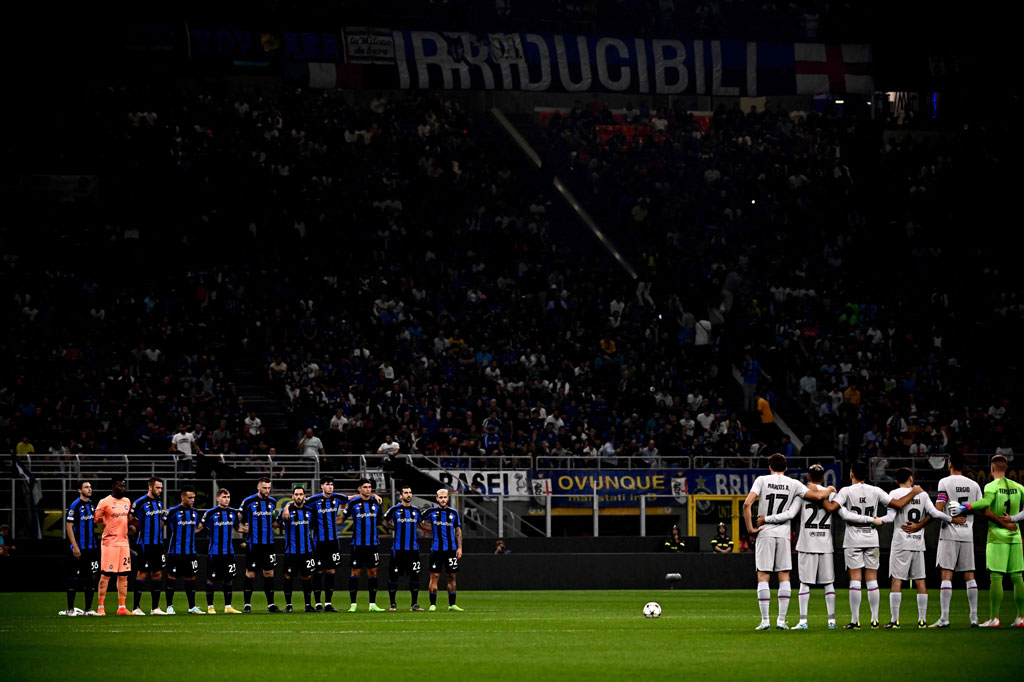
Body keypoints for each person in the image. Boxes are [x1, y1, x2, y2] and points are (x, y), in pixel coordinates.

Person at [760, 464, 880, 629]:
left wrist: (766, 519)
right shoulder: (831, 495)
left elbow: (791, 514)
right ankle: (831, 620)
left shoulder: (803, 494)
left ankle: (803, 620)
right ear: (823, 478)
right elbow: (842, 513)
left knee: (804, 583)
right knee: (828, 583)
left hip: (807, 543)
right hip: (825, 543)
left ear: (808, 477)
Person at [742, 453, 834, 629]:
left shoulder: (761, 480)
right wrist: (829, 489)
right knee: (784, 575)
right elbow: (816, 497)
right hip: (784, 534)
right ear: (785, 468)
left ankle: (765, 621)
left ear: (770, 467)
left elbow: (747, 504)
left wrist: (750, 529)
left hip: (764, 532)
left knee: (763, 575)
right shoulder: (793, 483)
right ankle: (782, 621)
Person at [831, 460, 922, 629]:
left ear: (851, 474)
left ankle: (855, 620)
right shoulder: (876, 490)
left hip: (853, 537)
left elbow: (834, 508)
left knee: (855, 580)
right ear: (867, 474)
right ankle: (874, 620)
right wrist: (914, 492)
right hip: (871, 536)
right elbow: (898, 505)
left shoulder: (846, 491)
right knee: (872, 579)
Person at [948, 454, 1024, 627]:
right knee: (1017, 577)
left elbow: (986, 502)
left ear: (991, 468)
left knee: (996, 577)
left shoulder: (991, 486)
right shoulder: (1019, 487)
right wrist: (1013, 519)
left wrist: (966, 506)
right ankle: (1021, 617)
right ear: (1006, 468)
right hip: (1015, 535)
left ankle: (994, 618)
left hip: (997, 536)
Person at [879, 468, 955, 628]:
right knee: (920, 580)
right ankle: (922, 620)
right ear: (911, 478)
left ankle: (894, 621)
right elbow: (934, 513)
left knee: (896, 580)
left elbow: (891, 517)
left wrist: (874, 520)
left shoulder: (894, 493)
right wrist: (951, 519)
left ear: (896, 480)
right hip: (918, 543)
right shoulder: (922, 494)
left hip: (900, 543)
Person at [931, 453, 983, 627]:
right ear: (965, 466)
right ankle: (974, 618)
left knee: (947, 574)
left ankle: (945, 619)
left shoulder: (944, 482)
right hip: (967, 534)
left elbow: (939, 508)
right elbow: (980, 507)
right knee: (970, 575)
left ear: (950, 464)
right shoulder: (974, 485)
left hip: (949, 534)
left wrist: (947, 517)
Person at [303, 476, 346, 612]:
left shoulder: (337, 498)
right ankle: (317, 603)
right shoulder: (313, 500)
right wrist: (286, 507)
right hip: (318, 542)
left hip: (333, 541)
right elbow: (297, 502)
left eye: (332, 484)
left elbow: (353, 498)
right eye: (327, 484)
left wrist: (374, 495)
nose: (330, 487)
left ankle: (328, 603)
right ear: (322, 486)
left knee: (331, 571)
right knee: (318, 571)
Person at [343, 478, 386, 612]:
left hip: (373, 544)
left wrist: (395, 526)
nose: (368, 489)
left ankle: (372, 604)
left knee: (373, 572)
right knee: (355, 572)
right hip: (357, 544)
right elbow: (341, 519)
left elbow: (382, 520)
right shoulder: (352, 503)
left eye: (369, 487)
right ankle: (353, 604)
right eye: (365, 487)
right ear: (359, 488)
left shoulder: (376, 502)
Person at [93, 476, 134, 616]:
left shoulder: (127, 501)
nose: (122, 488)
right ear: (113, 487)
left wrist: (131, 526)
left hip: (124, 543)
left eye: (124, 486)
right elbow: (95, 519)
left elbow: (127, 518)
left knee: (123, 576)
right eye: (120, 486)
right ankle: (100, 607)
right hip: (109, 544)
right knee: (106, 575)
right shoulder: (104, 502)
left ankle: (122, 607)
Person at [239, 477, 280, 613]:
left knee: (269, 573)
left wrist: (280, 522)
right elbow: (237, 517)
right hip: (254, 544)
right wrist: (242, 530)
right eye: (264, 488)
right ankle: (247, 605)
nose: (267, 490)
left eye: (269, 488)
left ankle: (271, 605)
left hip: (268, 544)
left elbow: (275, 520)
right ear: (258, 487)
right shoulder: (248, 501)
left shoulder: (272, 502)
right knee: (250, 574)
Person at [60, 480, 99, 616]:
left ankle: (88, 610)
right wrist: (75, 547)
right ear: (79, 490)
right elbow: (69, 526)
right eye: (86, 487)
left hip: (92, 548)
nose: (90, 489)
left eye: (90, 487)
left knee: (91, 578)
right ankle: (70, 609)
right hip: (79, 548)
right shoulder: (75, 505)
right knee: (74, 578)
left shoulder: (92, 505)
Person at [421, 488, 464, 612]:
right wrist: (430, 527)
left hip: (451, 550)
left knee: (451, 576)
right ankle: (433, 604)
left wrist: (460, 547)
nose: (443, 499)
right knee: (434, 576)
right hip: (436, 550)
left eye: (445, 497)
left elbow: (458, 530)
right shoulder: (431, 511)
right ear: (437, 498)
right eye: (441, 497)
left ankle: (452, 604)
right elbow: (419, 520)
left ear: (448, 498)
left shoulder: (454, 513)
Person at [201, 488, 242, 614]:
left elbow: (238, 527)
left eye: (228, 497)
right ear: (218, 498)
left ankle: (228, 607)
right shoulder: (210, 513)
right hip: (214, 552)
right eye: (224, 497)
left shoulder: (234, 513)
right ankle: (210, 607)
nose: (227, 499)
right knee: (211, 579)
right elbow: (202, 528)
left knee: (228, 579)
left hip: (229, 552)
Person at [130, 476, 167, 615]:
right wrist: (134, 528)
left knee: (157, 573)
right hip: (145, 544)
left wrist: (163, 518)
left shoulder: (158, 502)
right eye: (157, 487)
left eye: (161, 488)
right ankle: (136, 608)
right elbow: (129, 518)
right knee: (143, 573)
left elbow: (158, 523)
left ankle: (155, 608)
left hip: (158, 544)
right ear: (150, 487)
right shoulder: (140, 502)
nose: (160, 490)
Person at [383, 485, 424, 611]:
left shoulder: (416, 510)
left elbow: (421, 524)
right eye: (406, 493)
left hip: (413, 549)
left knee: (415, 576)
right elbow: (384, 520)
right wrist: (391, 527)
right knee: (394, 576)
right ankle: (392, 604)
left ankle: (414, 604)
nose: (408, 495)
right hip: (398, 550)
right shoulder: (394, 509)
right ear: (401, 496)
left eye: (410, 492)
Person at [164, 485, 203, 615]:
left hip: (190, 552)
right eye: (190, 497)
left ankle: (192, 606)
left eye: (194, 498)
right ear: (182, 497)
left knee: (191, 577)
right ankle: (169, 606)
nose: (192, 500)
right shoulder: (172, 512)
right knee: (172, 577)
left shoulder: (194, 512)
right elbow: (161, 525)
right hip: (175, 551)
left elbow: (196, 528)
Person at [281, 486, 317, 612]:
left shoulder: (309, 511)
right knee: (288, 577)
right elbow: (278, 524)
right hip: (291, 552)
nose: (298, 497)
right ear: (293, 496)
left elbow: (313, 527)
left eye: (301, 494)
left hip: (306, 551)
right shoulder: (286, 511)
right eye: (296, 494)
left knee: (307, 577)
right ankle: (289, 605)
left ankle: (308, 605)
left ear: (304, 496)